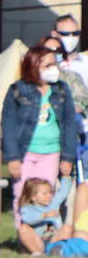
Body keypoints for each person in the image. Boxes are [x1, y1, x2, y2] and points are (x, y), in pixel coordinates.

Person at [1, 44, 79, 222]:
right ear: (34, 66)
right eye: (47, 66)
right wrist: (12, 158)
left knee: (45, 196)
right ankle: (24, 235)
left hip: (51, 153)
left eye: (54, 64)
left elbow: (69, 123)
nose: (53, 69)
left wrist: (67, 157)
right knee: (23, 194)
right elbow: (8, 125)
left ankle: (42, 237)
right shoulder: (17, 90)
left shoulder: (61, 89)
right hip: (25, 153)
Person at [50, 15, 88, 237]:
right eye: (65, 34)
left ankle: (78, 229)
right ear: (55, 34)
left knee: (83, 182)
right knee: (59, 182)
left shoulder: (84, 65)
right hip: (53, 134)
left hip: (82, 132)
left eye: (75, 34)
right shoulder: (48, 64)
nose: (71, 38)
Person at [16, 177, 73, 255]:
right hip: (38, 241)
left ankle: (56, 251)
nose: (49, 195)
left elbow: (63, 192)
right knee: (23, 229)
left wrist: (66, 177)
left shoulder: (53, 203)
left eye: (50, 192)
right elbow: (27, 219)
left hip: (53, 240)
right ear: (33, 197)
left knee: (67, 228)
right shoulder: (28, 208)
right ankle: (36, 252)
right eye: (45, 193)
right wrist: (44, 215)